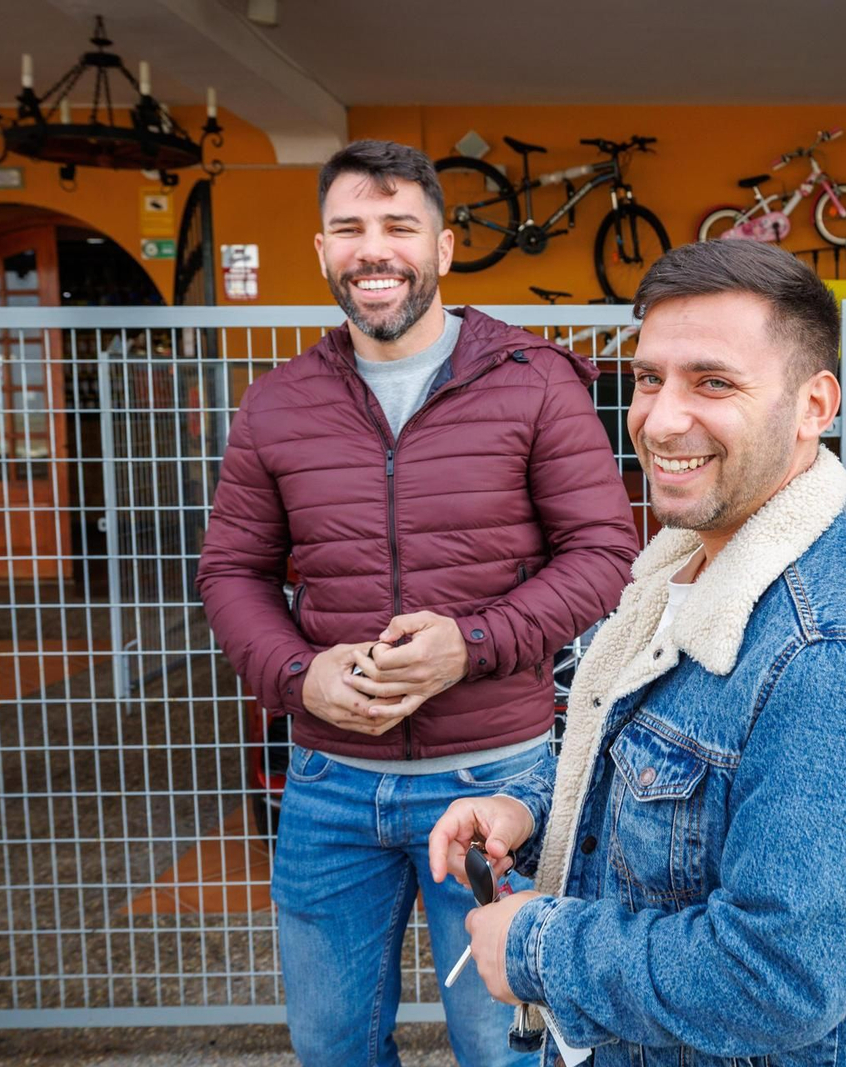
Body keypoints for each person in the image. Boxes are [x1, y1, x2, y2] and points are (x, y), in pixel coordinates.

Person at [428, 240, 846, 1066]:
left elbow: (777, 978)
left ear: (814, 406)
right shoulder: (685, 574)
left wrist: (540, 946)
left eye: (712, 382)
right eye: (650, 379)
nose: (661, 417)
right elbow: (663, 770)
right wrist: (531, 808)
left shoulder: (838, 662)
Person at [195, 139, 639, 1067]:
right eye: (351, 227)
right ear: (321, 250)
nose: (375, 249)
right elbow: (231, 572)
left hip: (497, 785)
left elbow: (605, 553)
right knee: (332, 1048)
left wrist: (469, 644)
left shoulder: (532, 381)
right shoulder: (276, 403)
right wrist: (294, 674)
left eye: (400, 226)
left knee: (503, 1048)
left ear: (443, 249)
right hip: (329, 786)